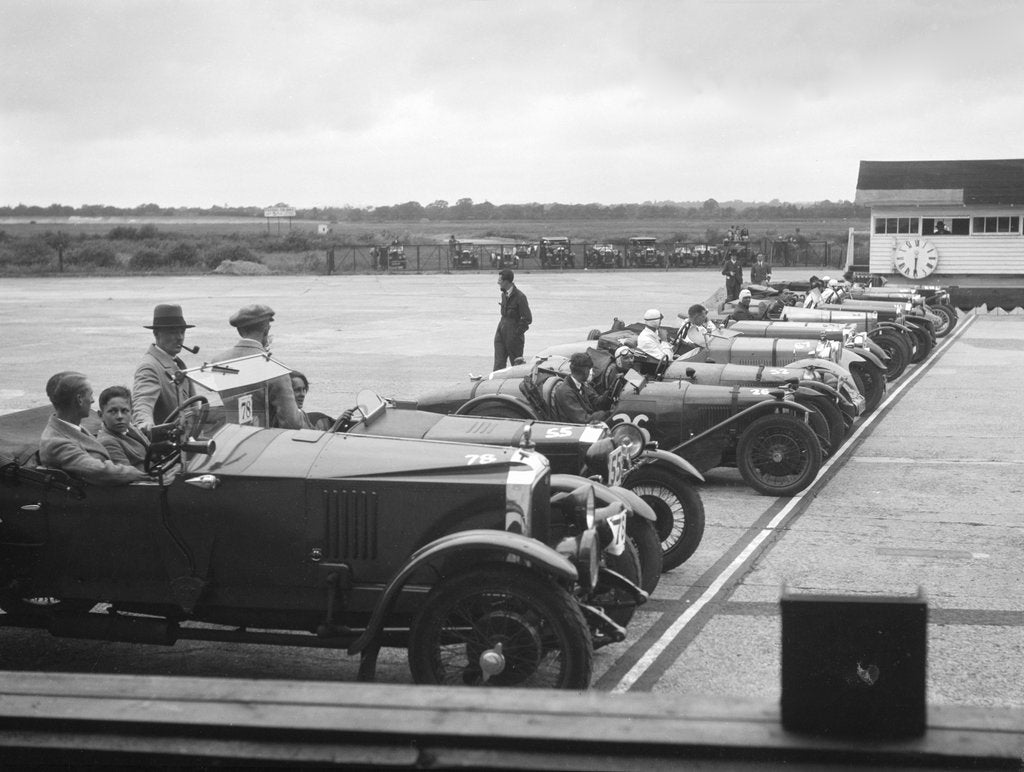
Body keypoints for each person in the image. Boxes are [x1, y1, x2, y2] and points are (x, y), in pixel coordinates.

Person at [210, 304, 310, 430]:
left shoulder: (218, 361)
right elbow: (291, 423)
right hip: (261, 441)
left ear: (240, 331)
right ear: (266, 329)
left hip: (231, 436)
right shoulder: (275, 369)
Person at [39, 372, 151, 485]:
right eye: (90, 395)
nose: (92, 400)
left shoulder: (72, 429)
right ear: (79, 400)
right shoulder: (57, 442)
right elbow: (98, 470)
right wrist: (138, 473)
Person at [132, 303, 195, 434]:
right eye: (173, 332)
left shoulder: (176, 363)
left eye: (182, 331)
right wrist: (144, 422)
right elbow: (142, 401)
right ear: (156, 334)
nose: (180, 337)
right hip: (170, 448)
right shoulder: (149, 367)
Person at [96, 385, 150, 469]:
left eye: (124, 411)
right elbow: (130, 476)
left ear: (131, 412)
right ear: (100, 415)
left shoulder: (131, 429)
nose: (120, 416)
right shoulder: (108, 442)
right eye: (113, 411)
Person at [550, 352, 610, 424]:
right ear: (585, 371)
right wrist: (605, 414)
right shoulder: (565, 392)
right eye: (590, 369)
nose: (591, 372)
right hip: (575, 430)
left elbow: (595, 401)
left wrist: (609, 394)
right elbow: (583, 419)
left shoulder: (581, 384)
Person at [493, 269, 532, 371]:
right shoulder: (504, 295)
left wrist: (516, 333)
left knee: (517, 367)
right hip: (501, 333)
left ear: (506, 282)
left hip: (514, 337)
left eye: (500, 280)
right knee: (498, 365)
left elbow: (527, 319)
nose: (498, 282)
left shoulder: (520, 297)